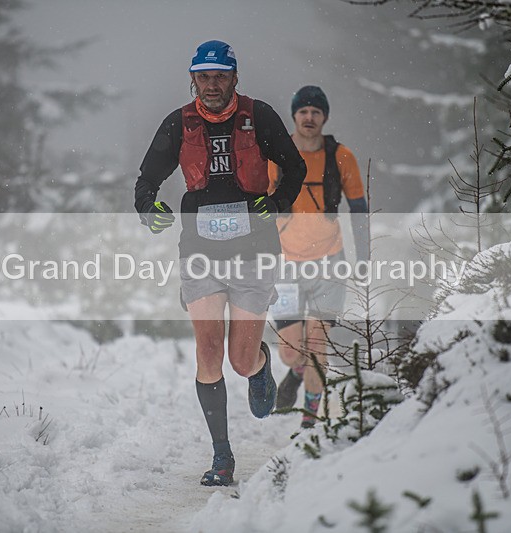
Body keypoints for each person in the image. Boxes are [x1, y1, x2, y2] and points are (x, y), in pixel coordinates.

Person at [134, 40, 306, 486]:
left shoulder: (259, 116)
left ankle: (260, 365)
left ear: (234, 77)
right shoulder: (179, 123)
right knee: (208, 353)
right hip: (200, 251)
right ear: (193, 78)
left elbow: (295, 167)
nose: (212, 85)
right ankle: (222, 456)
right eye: (204, 76)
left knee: (239, 360)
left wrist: (278, 202)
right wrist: (147, 207)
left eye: (220, 76)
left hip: (254, 250)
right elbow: (147, 179)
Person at [268, 85, 369, 429]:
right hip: (285, 265)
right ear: (294, 116)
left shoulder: (341, 157)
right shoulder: (276, 156)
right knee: (290, 351)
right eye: (303, 112)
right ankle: (296, 371)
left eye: (316, 112)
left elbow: (359, 209)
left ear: (324, 117)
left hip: (329, 262)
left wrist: (363, 257)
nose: (309, 117)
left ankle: (309, 421)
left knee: (317, 342)